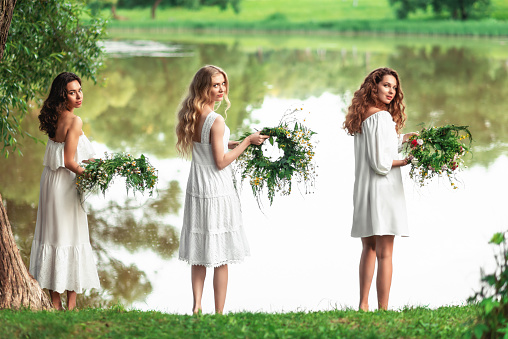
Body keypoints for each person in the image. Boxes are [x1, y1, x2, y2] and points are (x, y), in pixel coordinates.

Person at [176, 65, 268, 314]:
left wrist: (231, 143)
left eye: (223, 84)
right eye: (215, 85)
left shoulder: (193, 113)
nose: (221, 89)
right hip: (215, 189)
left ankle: (196, 306)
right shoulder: (215, 120)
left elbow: (208, 143)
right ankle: (219, 312)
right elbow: (221, 161)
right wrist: (248, 141)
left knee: (199, 251)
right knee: (221, 255)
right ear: (203, 87)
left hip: (197, 185)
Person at [343, 67, 416, 311]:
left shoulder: (363, 115)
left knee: (368, 248)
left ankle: (363, 304)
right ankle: (383, 309)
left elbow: (381, 144)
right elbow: (381, 163)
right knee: (385, 253)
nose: (392, 92)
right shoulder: (382, 117)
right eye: (386, 85)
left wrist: (405, 138)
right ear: (374, 86)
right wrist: (407, 161)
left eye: (394, 88)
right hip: (383, 192)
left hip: (364, 190)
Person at [29, 72, 100, 310]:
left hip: (50, 182)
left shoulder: (53, 117)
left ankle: (55, 303)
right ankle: (70, 306)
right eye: (72, 92)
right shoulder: (74, 121)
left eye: (80, 90)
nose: (79, 96)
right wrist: (94, 175)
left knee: (53, 236)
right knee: (71, 237)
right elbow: (70, 161)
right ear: (63, 95)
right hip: (66, 184)